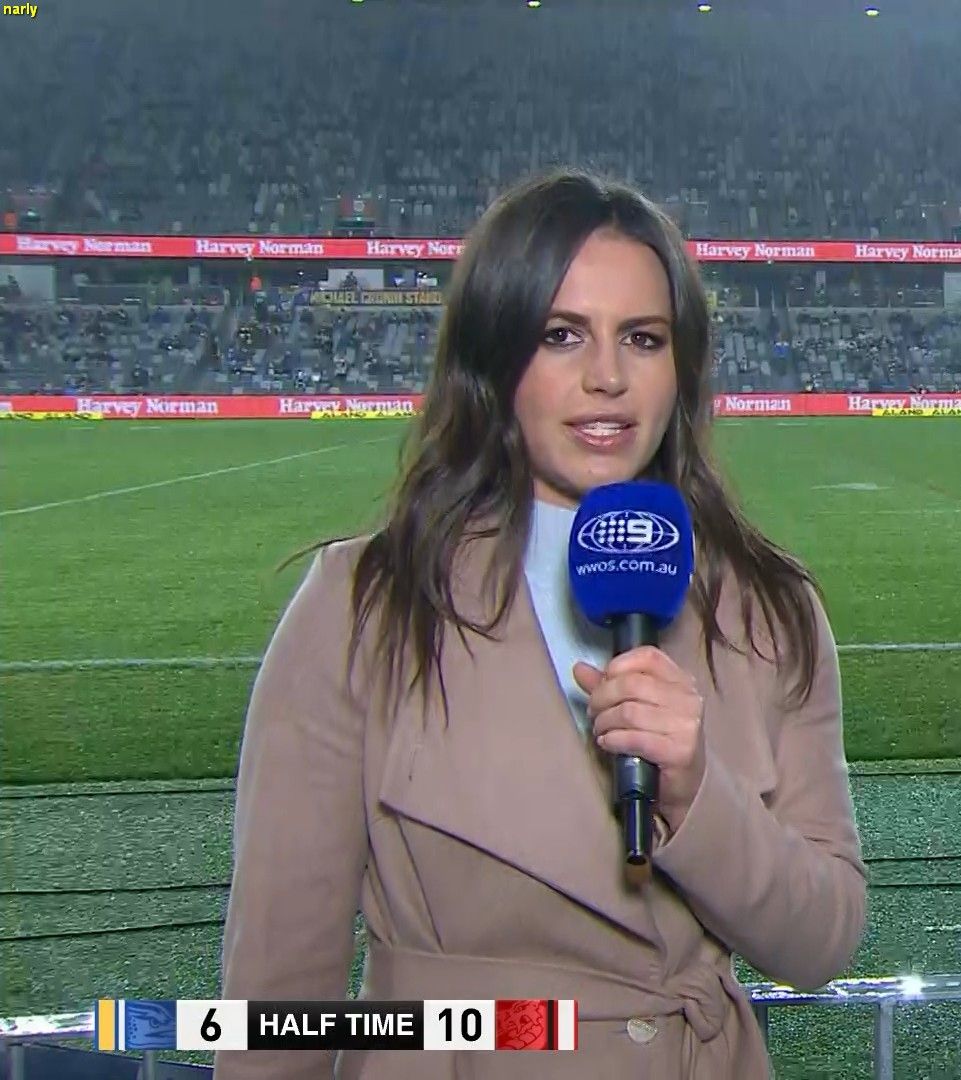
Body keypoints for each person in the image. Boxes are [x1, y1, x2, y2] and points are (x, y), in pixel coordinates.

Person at [216, 170, 868, 1079]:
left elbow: (824, 938)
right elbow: (277, 1006)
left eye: (642, 338)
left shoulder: (769, 607)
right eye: (562, 335)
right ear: (494, 355)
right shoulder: (362, 607)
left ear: (681, 368)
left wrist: (697, 795)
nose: (607, 377)